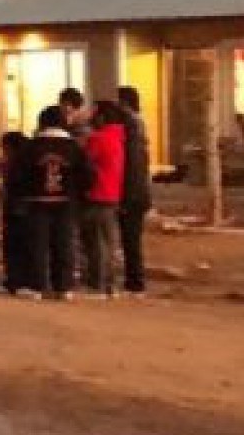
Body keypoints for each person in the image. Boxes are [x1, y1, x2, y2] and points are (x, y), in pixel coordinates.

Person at [9, 105, 90, 300]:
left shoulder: (30, 147)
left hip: (36, 202)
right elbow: (88, 175)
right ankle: (64, 286)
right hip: (66, 202)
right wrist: (77, 193)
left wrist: (20, 195)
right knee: (64, 243)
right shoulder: (74, 148)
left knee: (37, 244)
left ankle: (37, 285)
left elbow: (16, 175)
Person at [79, 101, 127, 298]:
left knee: (96, 244)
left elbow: (84, 163)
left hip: (96, 194)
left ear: (102, 117)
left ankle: (97, 283)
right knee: (110, 242)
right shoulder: (119, 137)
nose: (91, 118)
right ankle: (111, 284)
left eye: (94, 114)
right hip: (113, 194)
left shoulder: (98, 139)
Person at [115, 86, 152, 295]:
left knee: (130, 239)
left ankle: (135, 282)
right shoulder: (137, 126)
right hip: (137, 193)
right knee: (130, 240)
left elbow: (134, 168)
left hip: (133, 194)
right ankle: (133, 280)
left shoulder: (132, 128)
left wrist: (127, 197)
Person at [0, 131, 30, 295]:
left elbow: (10, 188)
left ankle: (14, 281)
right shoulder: (27, 162)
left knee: (13, 246)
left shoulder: (16, 165)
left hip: (17, 209)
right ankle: (21, 280)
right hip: (24, 210)